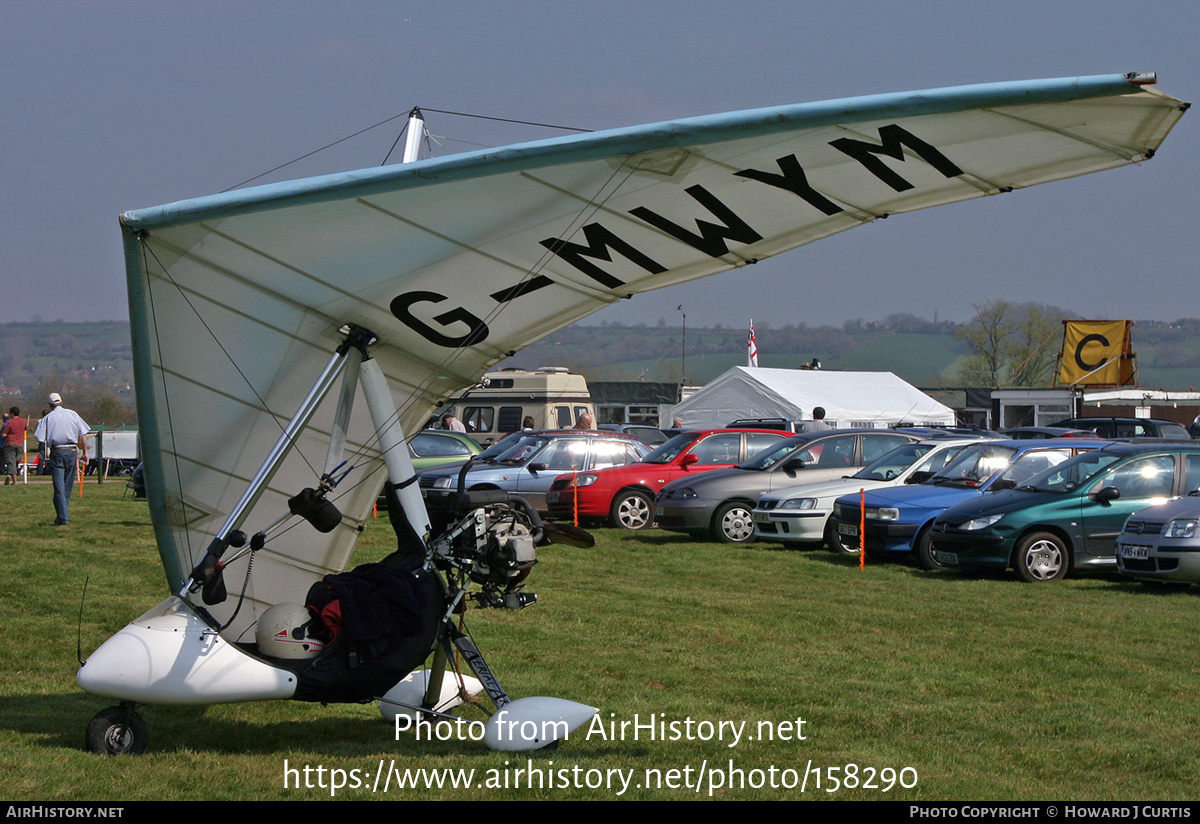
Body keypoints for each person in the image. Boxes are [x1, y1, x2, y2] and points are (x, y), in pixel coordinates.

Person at [33, 393, 89, 525]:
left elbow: (39, 437)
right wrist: (85, 452)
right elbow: (84, 434)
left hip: (57, 451)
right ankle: (62, 514)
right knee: (67, 486)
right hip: (72, 451)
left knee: (58, 486)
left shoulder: (48, 418)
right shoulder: (73, 414)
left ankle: (62, 517)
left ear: (50, 405)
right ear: (61, 402)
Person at [3, 407, 28, 485]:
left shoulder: (10, 423)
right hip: (19, 443)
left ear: (12, 414)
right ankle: (11, 474)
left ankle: (14, 480)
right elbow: (25, 429)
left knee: (11, 462)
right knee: (17, 460)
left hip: (10, 443)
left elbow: (4, 434)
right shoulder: (24, 422)